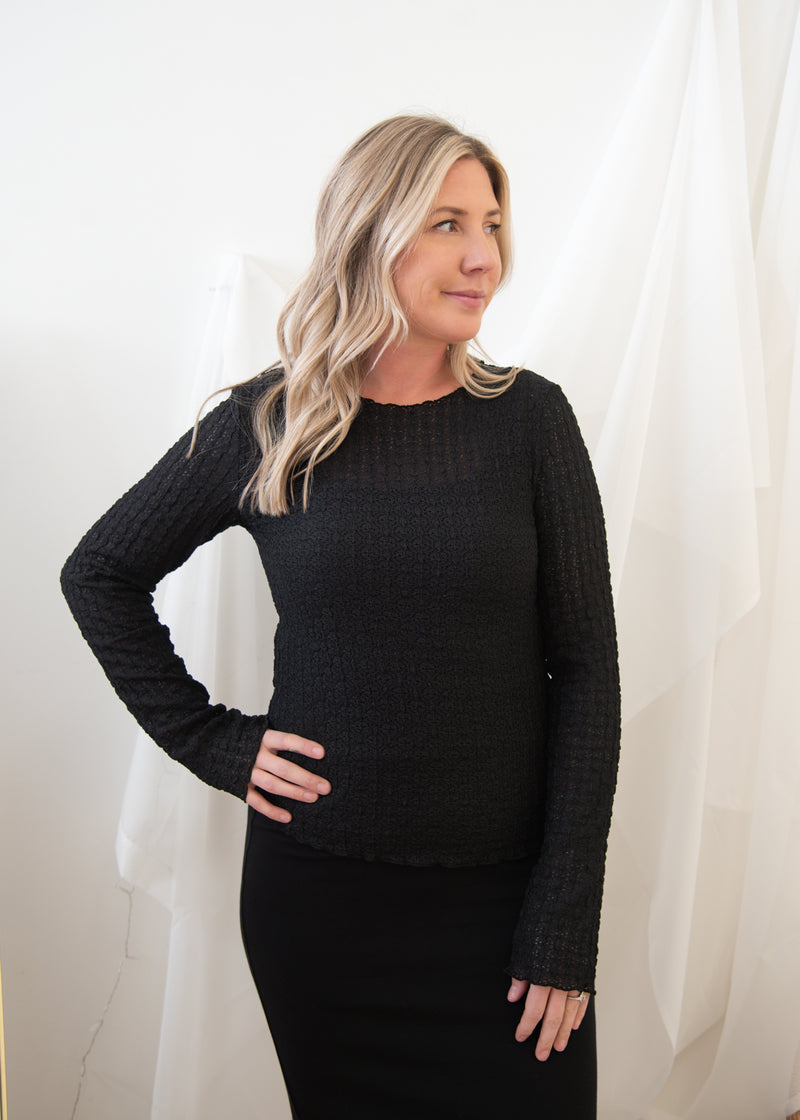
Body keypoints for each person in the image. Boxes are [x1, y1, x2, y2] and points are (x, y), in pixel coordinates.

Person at [61, 114, 620, 1119]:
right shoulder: (268, 423)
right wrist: (213, 741)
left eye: (491, 225)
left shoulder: (531, 421)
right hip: (320, 910)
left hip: (504, 910)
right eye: (448, 223)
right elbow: (98, 572)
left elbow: (584, 672)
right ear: (370, 233)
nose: (484, 257)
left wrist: (564, 921)